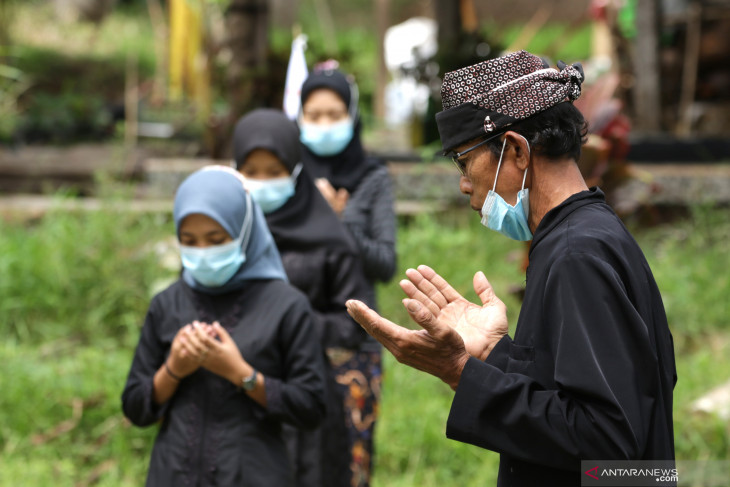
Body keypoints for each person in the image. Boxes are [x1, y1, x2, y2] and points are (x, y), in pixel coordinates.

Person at [345, 50, 676, 486]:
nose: (464, 184)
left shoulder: (577, 254)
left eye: (466, 163)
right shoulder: (586, 233)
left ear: (516, 150)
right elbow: (576, 394)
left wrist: (460, 373)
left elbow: (608, 443)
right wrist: (494, 354)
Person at [121, 166, 327, 487]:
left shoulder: (286, 306)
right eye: (189, 241)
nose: (203, 253)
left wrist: (242, 374)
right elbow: (135, 407)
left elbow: (311, 407)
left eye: (216, 239)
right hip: (172, 472)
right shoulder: (167, 304)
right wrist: (173, 369)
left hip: (254, 474)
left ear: (244, 230)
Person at [233, 108, 375, 487]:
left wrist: (288, 322)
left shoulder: (330, 241)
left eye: (274, 170)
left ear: (296, 171)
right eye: (252, 171)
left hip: (303, 396)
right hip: (231, 394)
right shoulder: (222, 235)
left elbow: (354, 322)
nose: (262, 182)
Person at [298, 66, 397, 486]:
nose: (323, 125)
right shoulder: (285, 176)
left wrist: (339, 222)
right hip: (291, 338)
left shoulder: (372, 178)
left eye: (333, 114)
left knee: (348, 462)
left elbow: (385, 261)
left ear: (352, 115)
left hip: (352, 343)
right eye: (313, 115)